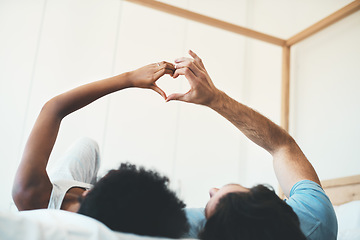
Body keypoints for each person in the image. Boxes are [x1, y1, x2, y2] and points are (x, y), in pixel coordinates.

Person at [166, 50, 338, 240]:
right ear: (273, 203)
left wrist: (128, 79)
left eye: (210, 210)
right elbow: (282, 145)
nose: (212, 190)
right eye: (246, 194)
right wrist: (214, 98)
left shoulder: (190, 227)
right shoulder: (314, 217)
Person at [12, 62, 189, 238]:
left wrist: (129, 78)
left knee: (87, 145)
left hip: (53, 200)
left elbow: (53, 109)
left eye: (109, 177)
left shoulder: (31, 194)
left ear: (89, 193)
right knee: (89, 146)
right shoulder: (101, 213)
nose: (112, 171)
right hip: (80, 205)